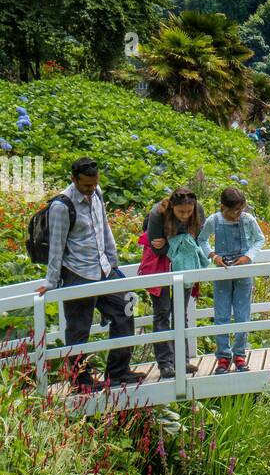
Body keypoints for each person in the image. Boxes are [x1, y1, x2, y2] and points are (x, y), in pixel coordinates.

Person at [37, 157, 142, 392]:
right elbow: (56, 246)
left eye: (94, 185)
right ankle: (79, 379)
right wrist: (51, 281)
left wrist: (113, 264)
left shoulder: (97, 193)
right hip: (78, 271)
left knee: (125, 310)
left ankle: (118, 371)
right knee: (78, 328)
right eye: (86, 186)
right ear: (73, 179)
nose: (90, 190)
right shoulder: (61, 206)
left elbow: (104, 227)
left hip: (104, 268)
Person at [140, 187, 206, 380]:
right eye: (181, 212)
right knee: (162, 312)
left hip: (183, 264)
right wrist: (182, 242)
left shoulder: (197, 211)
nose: (185, 216)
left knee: (180, 312)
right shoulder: (157, 214)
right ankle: (165, 363)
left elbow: (197, 240)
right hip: (159, 264)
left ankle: (182, 360)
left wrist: (170, 242)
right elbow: (157, 249)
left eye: (189, 211)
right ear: (172, 208)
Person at [198, 186, 265, 373]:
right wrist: (213, 255)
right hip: (222, 272)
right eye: (234, 211)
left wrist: (248, 256)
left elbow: (260, 239)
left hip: (243, 271)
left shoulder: (248, 220)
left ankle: (240, 354)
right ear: (223, 207)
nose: (237, 214)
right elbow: (201, 239)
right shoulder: (214, 220)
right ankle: (223, 357)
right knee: (221, 315)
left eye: (240, 210)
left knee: (243, 314)